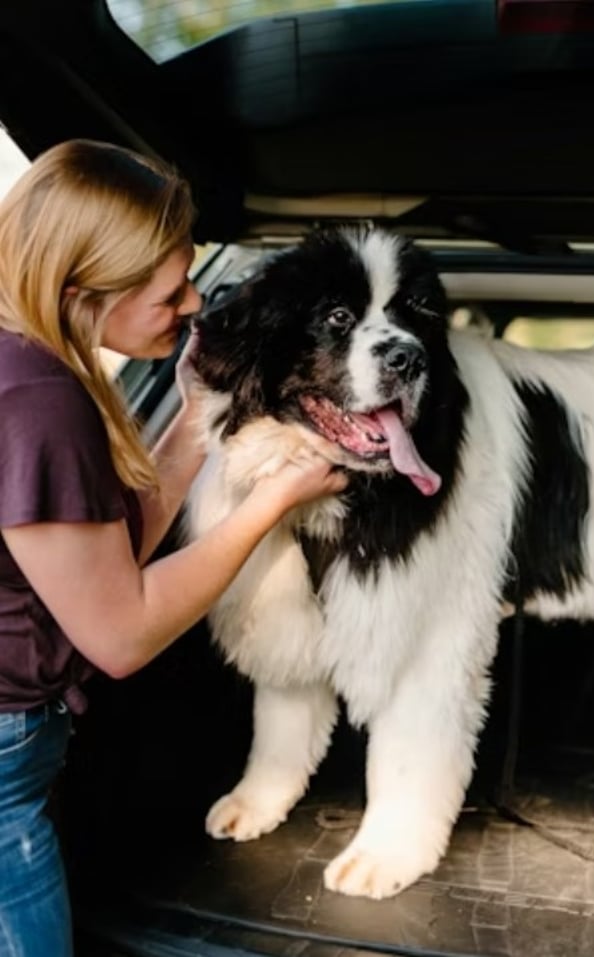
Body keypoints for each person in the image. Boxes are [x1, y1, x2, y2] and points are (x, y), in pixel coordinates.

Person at [0, 138, 347, 957]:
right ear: (81, 290)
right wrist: (274, 498)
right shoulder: (38, 400)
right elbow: (121, 633)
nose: (192, 304)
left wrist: (193, 418)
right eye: (167, 293)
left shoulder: (22, 366)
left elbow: (103, 560)